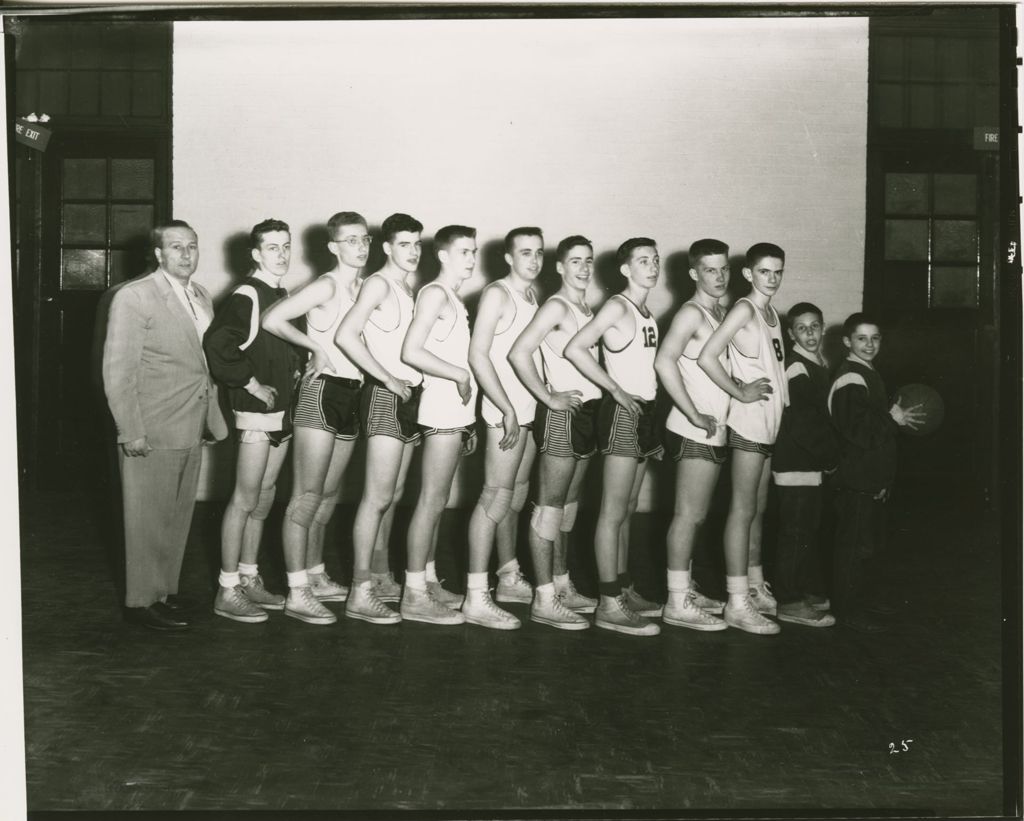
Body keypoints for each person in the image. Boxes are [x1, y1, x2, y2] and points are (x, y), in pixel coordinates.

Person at [103, 220, 228, 632]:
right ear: (158, 254)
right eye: (176, 247)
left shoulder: (200, 295)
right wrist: (130, 429)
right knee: (145, 519)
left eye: (192, 246)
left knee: (176, 517)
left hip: (191, 422)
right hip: (151, 426)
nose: (186, 254)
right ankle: (140, 603)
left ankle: (163, 593)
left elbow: (202, 362)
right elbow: (118, 371)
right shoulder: (134, 297)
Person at [261, 211, 380, 625]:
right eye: (350, 241)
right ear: (333, 247)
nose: (360, 247)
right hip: (321, 391)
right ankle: (296, 591)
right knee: (306, 497)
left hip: (351, 394)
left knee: (328, 497)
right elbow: (272, 319)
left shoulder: (366, 287)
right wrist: (316, 347)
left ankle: (314, 573)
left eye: (364, 239)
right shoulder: (327, 284)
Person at [564, 237, 664, 637]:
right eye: (643, 261)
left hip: (645, 414)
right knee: (612, 511)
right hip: (623, 414)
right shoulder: (617, 306)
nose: (653, 266)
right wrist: (616, 390)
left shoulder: (645, 311)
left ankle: (623, 589)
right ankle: (608, 604)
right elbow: (576, 347)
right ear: (626, 269)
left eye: (655, 259)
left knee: (629, 508)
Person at [204, 219, 302, 624]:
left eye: (286, 246)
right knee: (245, 500)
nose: (281, 254)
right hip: (256, 413)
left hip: (281, 413)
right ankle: (227, 589)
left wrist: (293, 367)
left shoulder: (280, 294)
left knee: (263, 499)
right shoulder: (247, 293)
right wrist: (252, 383)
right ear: (256, 254)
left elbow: (273, 346)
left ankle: (249, 576)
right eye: (272, 248)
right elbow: (218, 345)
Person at [334, 212, 424, 624]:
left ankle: (382, 576)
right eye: (404, 243)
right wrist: (386, 379)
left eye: (417, 243)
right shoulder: (378, 283)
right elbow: (345, 335)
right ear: (387, 247)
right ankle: (359, 590)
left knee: (394, 494)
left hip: (411, 397)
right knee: (376, 497)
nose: (413, 251)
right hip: (386, 396)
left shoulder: (409, 288)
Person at [508, 235, 601, 630]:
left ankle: (562, 586)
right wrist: (548, 396)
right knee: (549, 510)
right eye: (575, 261)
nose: (583, 268)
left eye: (588, 261)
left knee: (568, 510)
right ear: (560, 267)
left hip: (588, 416)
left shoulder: (588, 307)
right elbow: (519, 352)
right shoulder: (557, 306)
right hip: (563, 417)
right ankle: (544, 599)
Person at [697, 242, 788, 635]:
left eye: (778, 271)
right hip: (749, 422)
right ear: (749, 274)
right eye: (764, 271)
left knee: (758, 509)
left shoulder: (771, 313)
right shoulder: (744, 309)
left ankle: (753, 584)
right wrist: (739, 391)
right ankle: (736, 602)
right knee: (742, 509)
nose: (772, 278)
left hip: (770, 423)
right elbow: (707, 355)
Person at [399, 224, 479, 626]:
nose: (472, 258)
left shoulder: (452, 297)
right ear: (443, 255)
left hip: (457, 413)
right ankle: (413, 594)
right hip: (442, 410)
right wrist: (460, 375)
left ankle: (427, 580)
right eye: (464, 251)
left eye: (474, 251)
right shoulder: (433, 293)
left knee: (438, 501)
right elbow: (412, 350)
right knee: (430, 501)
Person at [464, 227, 543, 628]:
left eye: (539, 253)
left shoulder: (532, 295)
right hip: (503, 411)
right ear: (509, 258)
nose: (533, 260)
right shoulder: (497, 293)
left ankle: (508, 574)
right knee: (494, 497)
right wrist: (506, 408)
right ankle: (476, 597)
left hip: (525, 409)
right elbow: (478, 355)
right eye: (525, 253)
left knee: (515, 497)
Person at [653, 238, 733, 631]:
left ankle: (685, 587)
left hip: (712, 430)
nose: (718, 277)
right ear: (693, 273)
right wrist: (693, 413)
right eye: (709, 270)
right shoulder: (691, 313)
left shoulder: (719, 312)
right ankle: (676, 602)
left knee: (697, 516)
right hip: (691, 429)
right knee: (688, 515)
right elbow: (663, 362)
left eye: (723, 269)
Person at [828, 313, 922, 632]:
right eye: (861, 339)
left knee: (866, 544)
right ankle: (847, 610)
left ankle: (859, 601)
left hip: (870, 478)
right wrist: (892, 419)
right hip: (855, 479)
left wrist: (883, 479)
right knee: (853, 547)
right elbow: (860, 432)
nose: (869, 344)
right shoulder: (850, 378)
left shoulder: (868, 373)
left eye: (875, 338)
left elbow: (876, 436)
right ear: (847, 342)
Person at [770, 302, 841, 628]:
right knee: (795, 533)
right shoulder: (796, 368)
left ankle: (802, 590)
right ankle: (788, 600)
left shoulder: (817, 363)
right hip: (797, 462)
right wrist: (828, 457)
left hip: (809, 465)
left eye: (815, 326)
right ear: (790, 333)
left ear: (823, 327)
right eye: (802, 328)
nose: (810, 333)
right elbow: (803, 424)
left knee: (806, 531)